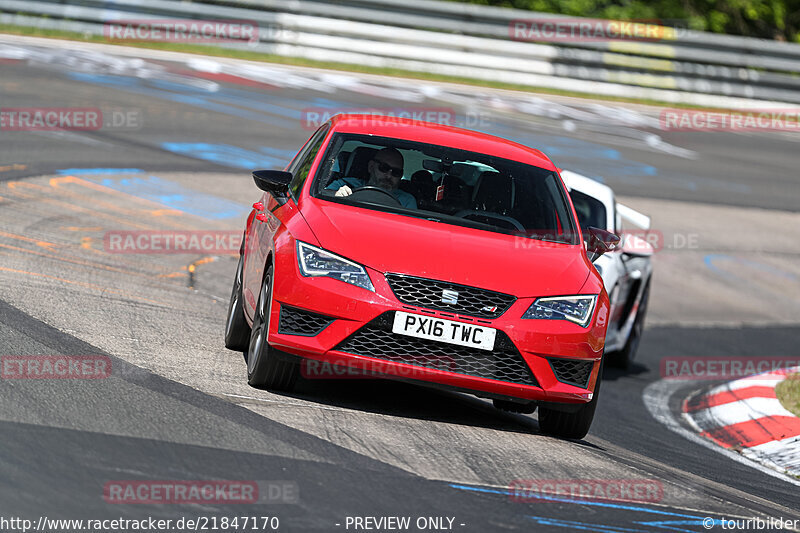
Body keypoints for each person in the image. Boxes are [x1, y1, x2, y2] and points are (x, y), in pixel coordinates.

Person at [326, 147, 417, 209]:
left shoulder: (407, 202)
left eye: (396, 172)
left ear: (401, 176)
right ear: (371, 167)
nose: (389, 176)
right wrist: (336, 198)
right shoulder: (345, 185)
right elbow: (321, 202)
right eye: (384, 168)